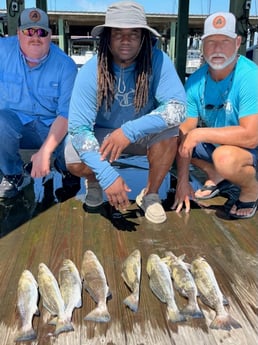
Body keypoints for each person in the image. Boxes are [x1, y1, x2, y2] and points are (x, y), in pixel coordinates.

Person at [65, 1, 186, 224]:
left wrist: (129, 130)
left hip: (141, 133)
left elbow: (177, 109)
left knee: (171, 132)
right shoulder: (92, 69)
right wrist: (106, 174)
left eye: (134, 33)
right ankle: (94, 181)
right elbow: (79, 129)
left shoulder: (158, 61)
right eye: (118, 33)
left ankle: (150, 194)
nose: (126, 39)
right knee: (73, 156)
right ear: (107, 37)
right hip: (103, 136)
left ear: (144, 38)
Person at [173, 12, 258, 219]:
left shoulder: (250, 76)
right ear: (202, 46)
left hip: (251, 150)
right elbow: (186, 132)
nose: (217, 49)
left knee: (224, 157)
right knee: (171, 138)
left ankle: (250, 190)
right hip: (220, 146)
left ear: (237, 42)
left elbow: (251, 137)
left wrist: (200, 134)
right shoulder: (195, 81)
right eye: (211, 42)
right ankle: (216, 173)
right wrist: (182, 183)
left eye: (224, 41)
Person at [0, 8, 81, 199]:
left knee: (76, 141)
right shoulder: (3, 50)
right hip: (15, 128)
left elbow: (66, 114)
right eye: (29, 31)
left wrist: (45, 152)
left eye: (41, 32)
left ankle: (66, 169)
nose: (35, 37)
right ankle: (13, 174)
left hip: (53, 128)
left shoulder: (66, 65)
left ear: (50, 35)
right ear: (18, 34)